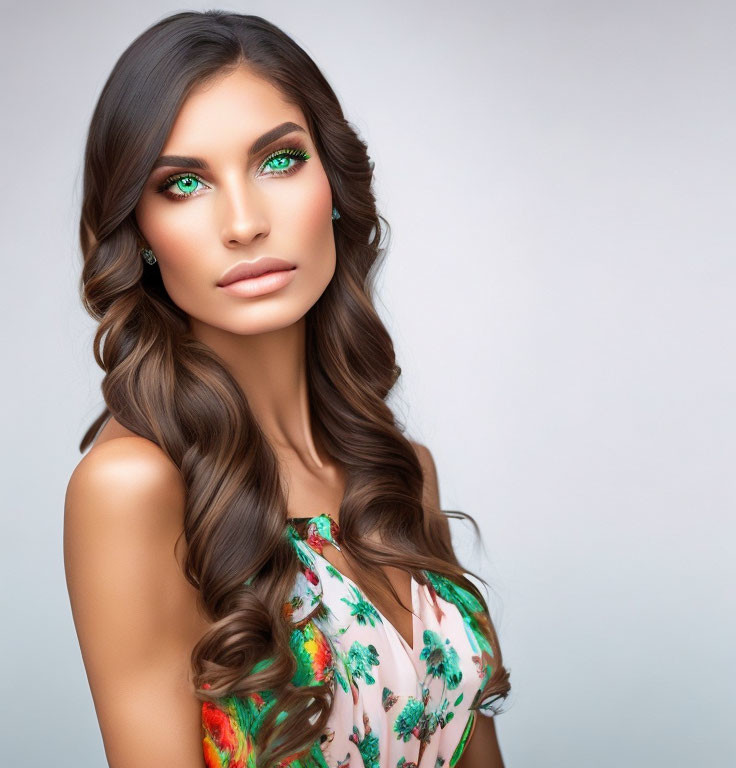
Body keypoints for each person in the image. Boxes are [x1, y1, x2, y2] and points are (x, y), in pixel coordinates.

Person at [63, 11, 511, 768]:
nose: (243, 222)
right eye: (183, 183)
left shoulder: (402, 475)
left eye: (278, 162)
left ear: (333, 182)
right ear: (137, 233)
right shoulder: (132, 490)